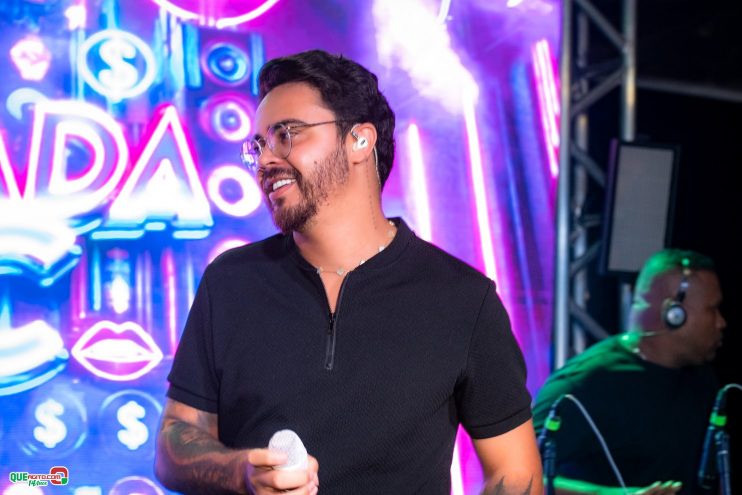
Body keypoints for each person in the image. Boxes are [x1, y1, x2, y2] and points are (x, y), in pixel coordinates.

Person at [154, 49, 542, 495]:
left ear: (359, 140)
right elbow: (172, 446)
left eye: (286, 135)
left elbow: (516, 474)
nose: (264, 161)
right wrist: (239, 472)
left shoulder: (464, 300)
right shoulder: (231, 282)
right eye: (258, 146)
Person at [532, 249, 726, 495]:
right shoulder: (585, 383)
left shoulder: (700, 376)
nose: (721, 322)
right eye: (713, 309)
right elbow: (511, 479)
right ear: (674, 314)